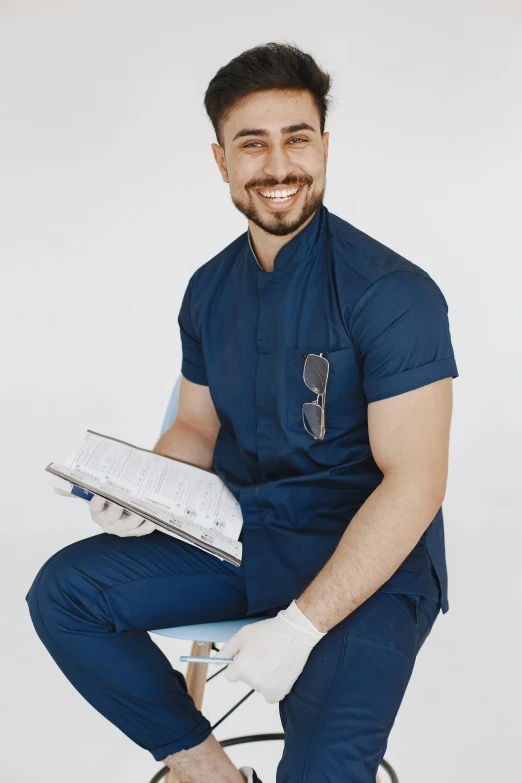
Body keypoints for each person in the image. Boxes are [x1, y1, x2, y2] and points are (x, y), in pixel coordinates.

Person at [26, 41, 459, 783]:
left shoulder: (391, 293)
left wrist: (299, 627)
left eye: (297, 138)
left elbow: (415, 485)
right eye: (252, 145)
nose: (279, 166)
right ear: (223, 161)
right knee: (64, 595)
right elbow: (198, 424)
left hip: (369, 563)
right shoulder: (209, 289)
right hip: (247, 537)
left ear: (324, 147)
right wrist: (148, 494)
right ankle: (208, 771)